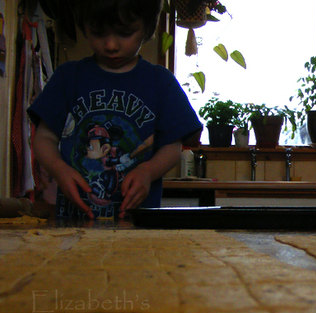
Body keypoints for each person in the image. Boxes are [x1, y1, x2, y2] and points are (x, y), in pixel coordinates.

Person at [28, 0, 202, 220]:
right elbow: (44, 138)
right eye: (98, 33)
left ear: (148, 28)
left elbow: (172, 147)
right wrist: (59, 170)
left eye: (125, 33)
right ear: (84, 25)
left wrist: (148, 172)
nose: (110, 45)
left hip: (136, 226)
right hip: (73, 224)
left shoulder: (161, 82)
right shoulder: (67, 77)